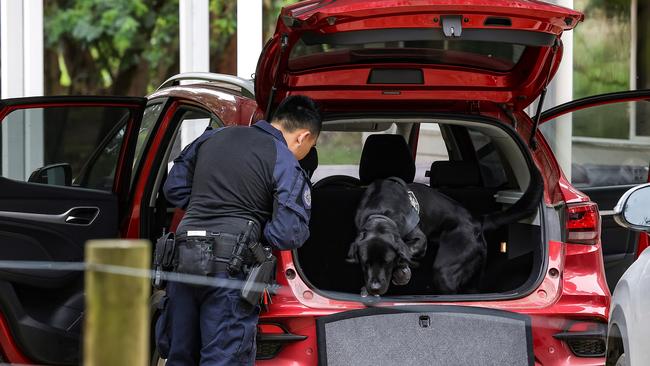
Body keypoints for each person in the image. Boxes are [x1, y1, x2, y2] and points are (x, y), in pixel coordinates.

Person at [159, 95, 321, 366]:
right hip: (232, 266)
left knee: (179, 356)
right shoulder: (282, 157)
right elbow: (286, 233)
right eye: (310, 146)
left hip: (182, 259)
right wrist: (251, 225)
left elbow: (172, 187)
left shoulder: (212, 138)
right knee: (223, 359)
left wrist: (208, 206)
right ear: (302, 137)